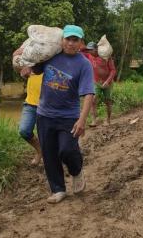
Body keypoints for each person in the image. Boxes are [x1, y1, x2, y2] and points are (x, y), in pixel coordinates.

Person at [31, 25, 95, 204]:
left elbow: (89, 93)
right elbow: (35, 68)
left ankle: (76, 171)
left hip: (68, 116)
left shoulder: (84, 64)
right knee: (49, 153)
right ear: (62, 40)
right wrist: (25, 66)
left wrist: (82, 120)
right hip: (44, 114)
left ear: (81, 43)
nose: (71, 43)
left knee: (67, 150)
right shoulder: (52, 55)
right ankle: (58, 189)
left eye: (75, 40)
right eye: (68, 39)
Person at [13, 49, 42, 166]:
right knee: (24, 131)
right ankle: (40, 151)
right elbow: (16, 54)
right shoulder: (31, 56)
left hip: (47, 104)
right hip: (30, 102)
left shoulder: (52, 56)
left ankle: (50, 157)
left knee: (46, 134)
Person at [82, 42, 116, 126]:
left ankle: (108, 119)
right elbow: (80, 52)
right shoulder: (89, 56)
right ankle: (94, 120)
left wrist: (107, 81)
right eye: (88, 50)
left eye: (91, 50)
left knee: (107, 101)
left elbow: (113, 70)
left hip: (107, 83)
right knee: (93, 100)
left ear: (96, 50)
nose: (89, 51)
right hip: (96, 82)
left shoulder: (106, 57)